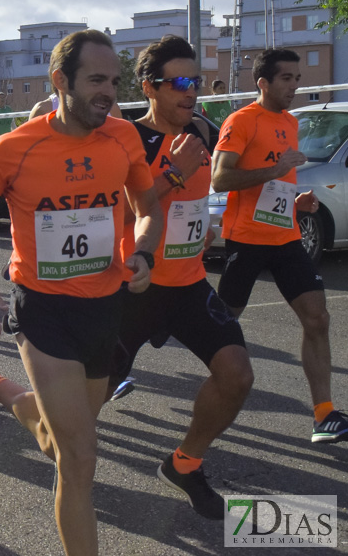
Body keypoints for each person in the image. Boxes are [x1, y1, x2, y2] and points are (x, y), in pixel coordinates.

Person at [0, 30, 162, 555]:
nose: (108, 92)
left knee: (55, 441)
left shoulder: (124, 138)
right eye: (96, 81)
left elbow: (149, 206)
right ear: (60, 81)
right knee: (80, 457)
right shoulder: (16, 147)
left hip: (106, 307)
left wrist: (146, 253)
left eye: (114, 81)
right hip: (45, 311)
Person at [107, 36, 253, 519]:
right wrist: (172, 173)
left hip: (187, 284)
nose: (192, 92)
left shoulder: (204, 132)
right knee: (75, 409)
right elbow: (118, 220)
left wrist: (203, 225)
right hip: (133, 288)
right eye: (181, 83)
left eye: (196, 81)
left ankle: (185, 464)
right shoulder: (124, 140)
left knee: (237, 375)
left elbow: (199, 199)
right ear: (150, 88)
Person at [211, 48, 346, 444]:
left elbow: (276, 182)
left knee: (317, 318)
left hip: (285, 237)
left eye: (297, 78)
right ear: (263, 83)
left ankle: (325, 414)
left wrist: (297, 199)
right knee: (222, 322)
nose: (294, 85)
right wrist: (276, 169)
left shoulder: (290, 121)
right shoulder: (241, 121)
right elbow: (220, 179)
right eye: (286, 78)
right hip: (247, 239)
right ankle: (209, 382)